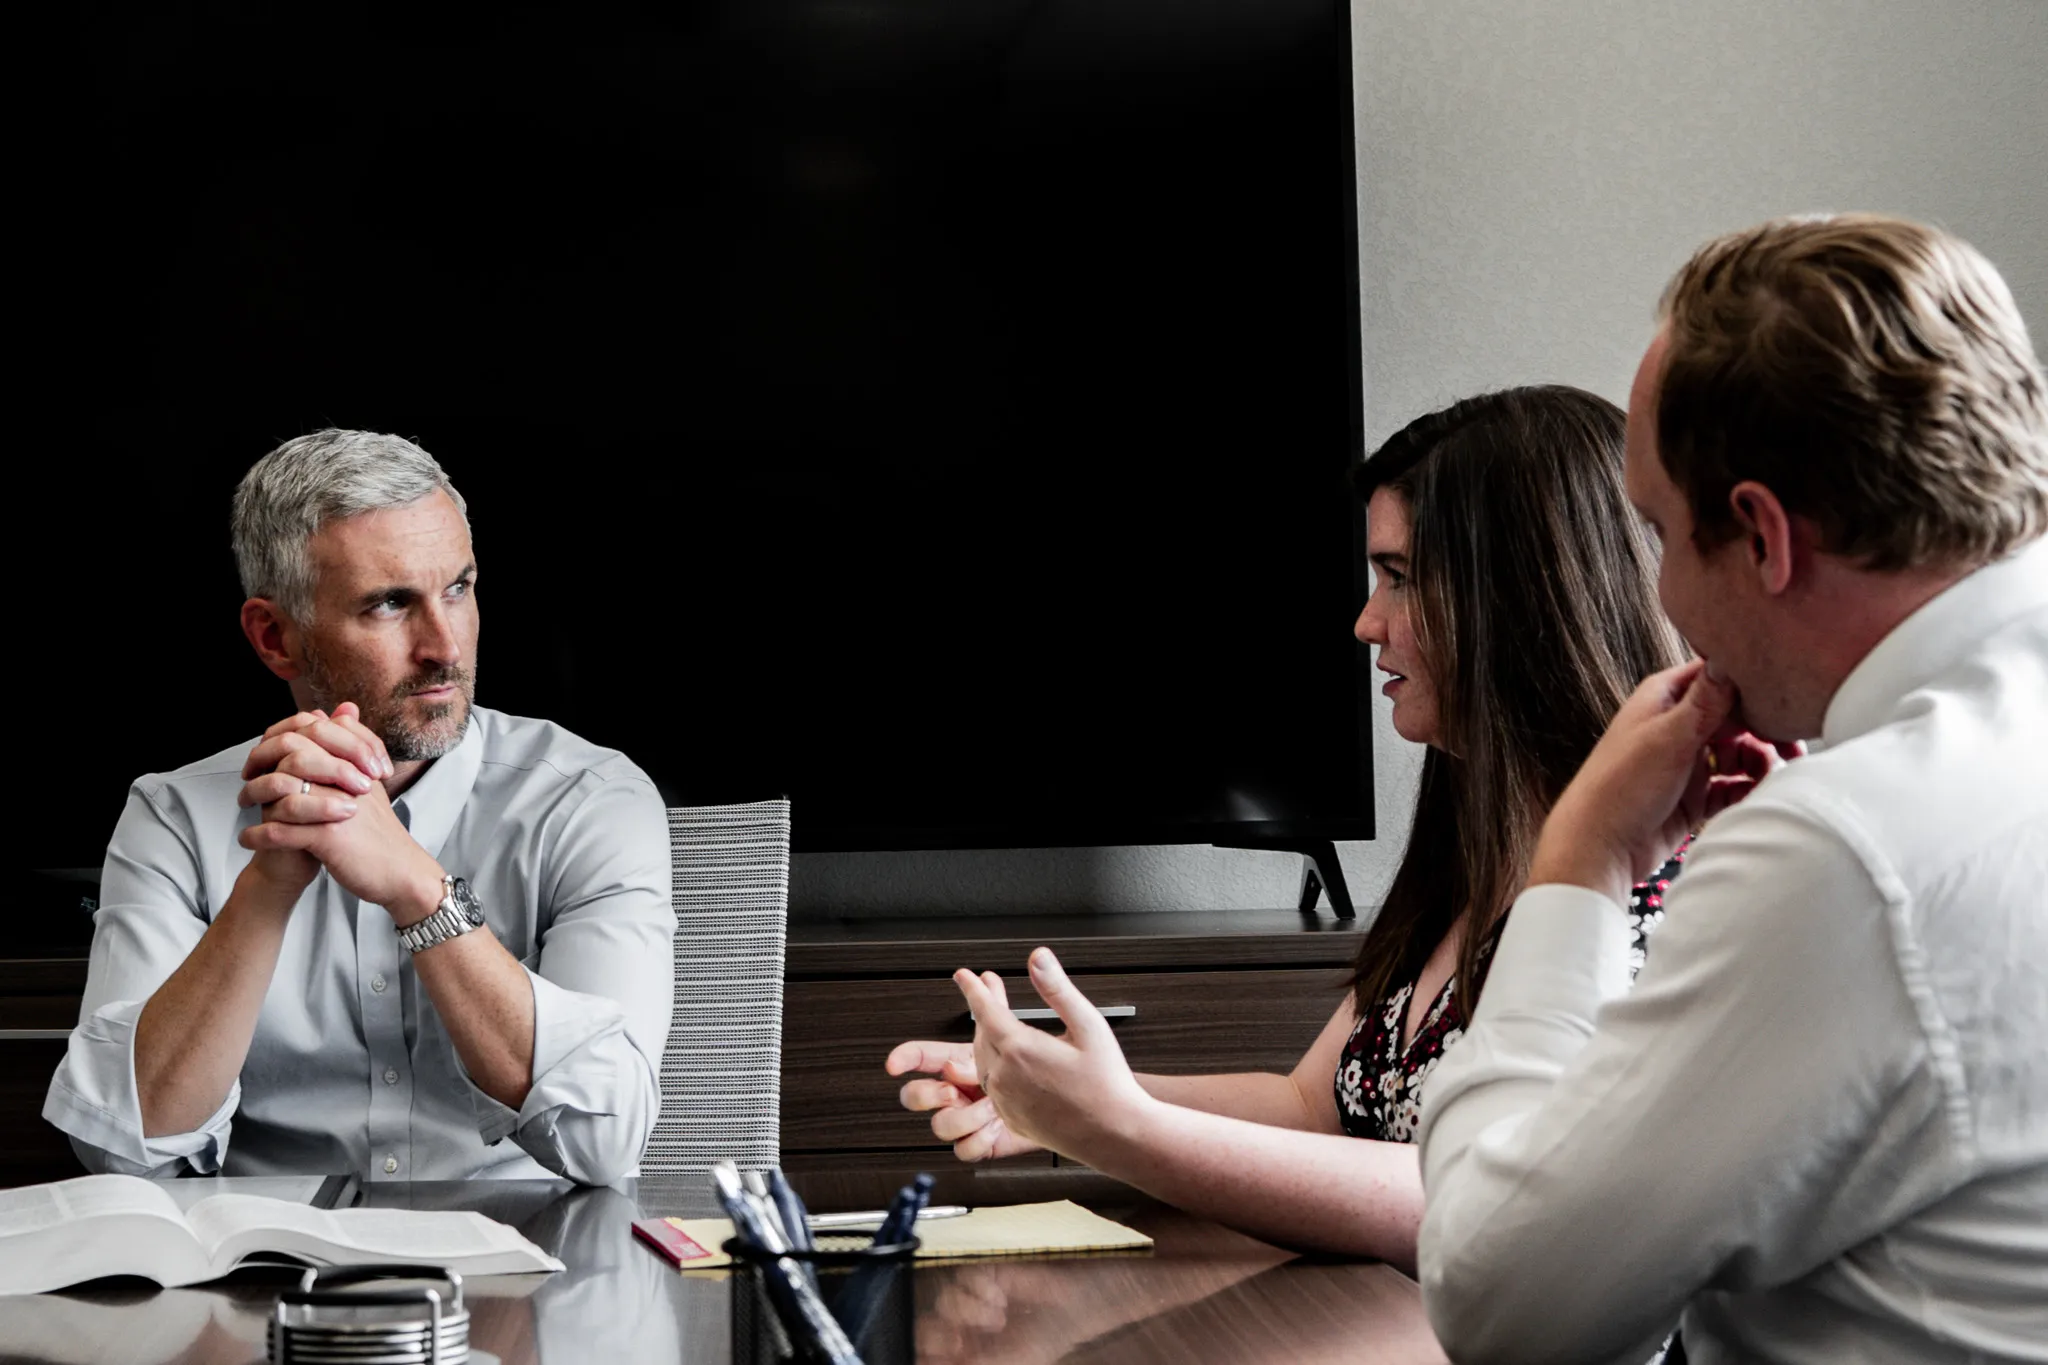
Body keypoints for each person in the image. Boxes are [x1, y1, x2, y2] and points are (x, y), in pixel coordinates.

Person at [1415, 215, 2048, 1364]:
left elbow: (1499, 1301)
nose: (1659, 593)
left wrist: (1578, 870)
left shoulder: (1845, 852)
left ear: (1759, 533)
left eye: (1656, 531)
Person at [888, 386, 1687, 1269]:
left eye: (1400, 577)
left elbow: (1468, 1200)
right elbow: (1314, 1109)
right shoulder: (1470, 859)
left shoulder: (1657, 897)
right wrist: (1057, 1099)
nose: (1365, 621)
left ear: (1521, 596)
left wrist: (1120, 1128)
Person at [44, 430, 674, 1186]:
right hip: (264, 1282)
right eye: (389, 604)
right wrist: (268, 881)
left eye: (459, 589)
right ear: (275, 637)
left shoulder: (591, 801)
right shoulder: (173, 817)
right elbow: (123, 1150)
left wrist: (417, 889)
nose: (445, 646)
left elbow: (605, 1140)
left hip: (529, 1272)